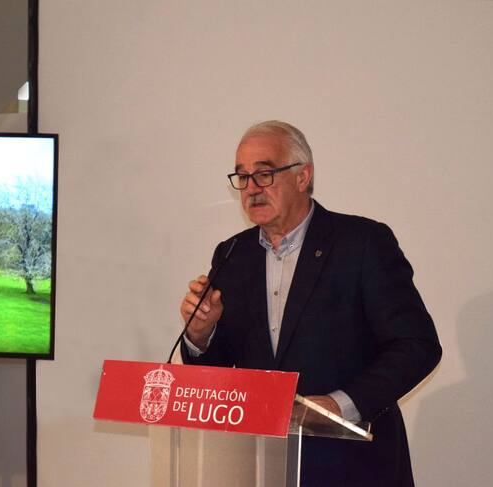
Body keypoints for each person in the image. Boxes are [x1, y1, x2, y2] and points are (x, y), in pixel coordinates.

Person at [179, 120, 442, 486]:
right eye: (243, 176)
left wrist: (340, 405)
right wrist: (200, 334)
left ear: (303, 176)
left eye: (264, 174)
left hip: (353, 465)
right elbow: (221, 373)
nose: (251, 188)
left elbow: (417, 346)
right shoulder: (233, 254)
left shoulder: (362, 243)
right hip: (263, 465)